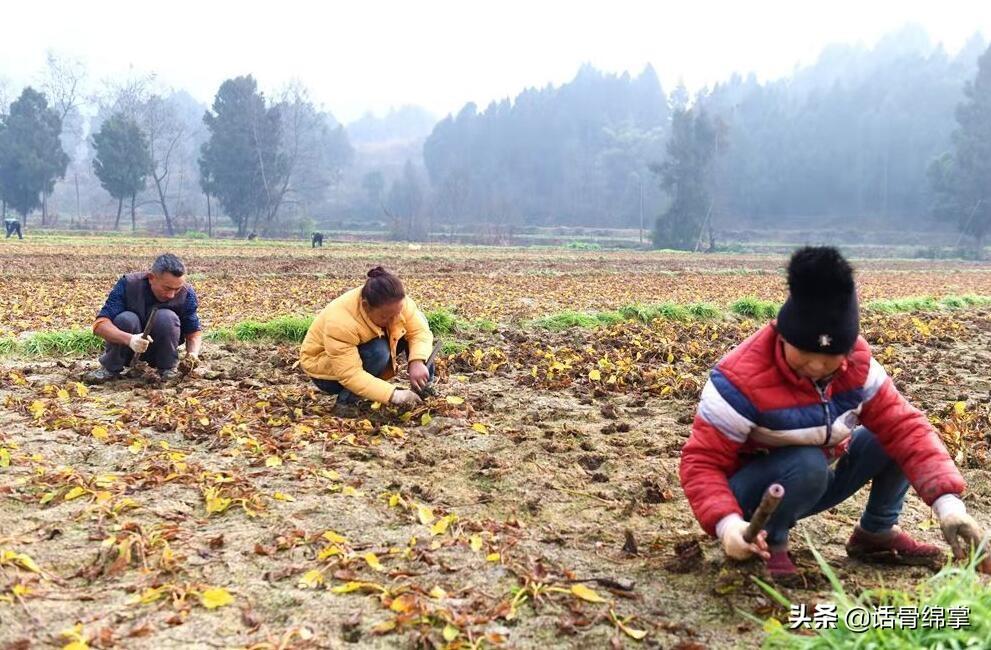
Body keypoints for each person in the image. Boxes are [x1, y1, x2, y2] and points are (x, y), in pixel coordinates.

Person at [680, 246, 990, 579]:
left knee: (888, 437)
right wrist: (727, 526)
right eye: (804, 353)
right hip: (750, 499)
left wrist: (949, 507)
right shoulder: (739, 380)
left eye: (829, 359)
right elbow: (702, 463)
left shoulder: (859, 367)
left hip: (811, 482)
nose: (816, 366)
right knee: (807, 463)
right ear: (783, 335)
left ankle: (876, 532)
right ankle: (771, 540)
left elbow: (906, 429)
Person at [299, 266, 433, 409]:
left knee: (419, 320)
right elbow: (350, 374)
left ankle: (423, 387)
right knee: (379, 351)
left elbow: (419, 332)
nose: (395, 319)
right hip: (326, 372)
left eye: (398, 312)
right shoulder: (340, 322)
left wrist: (417, 361)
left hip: (357, 355)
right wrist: (393, 395)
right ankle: (346, 402)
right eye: (385, 317)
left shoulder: (395, 302)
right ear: (365, 306)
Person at [87, 253, 202, 381]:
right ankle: (110, 369)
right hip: (127, 349)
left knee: (167, 317)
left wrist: (192, 355)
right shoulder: (128, 284)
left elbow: (193, 333)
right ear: (151, 278)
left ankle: (168, 369)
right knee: (126, 319)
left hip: (162, 352)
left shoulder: (187, 293)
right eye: (167, 288)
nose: (171, 295)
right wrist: (130, 339)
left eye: (177, 289)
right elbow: (100, 325)